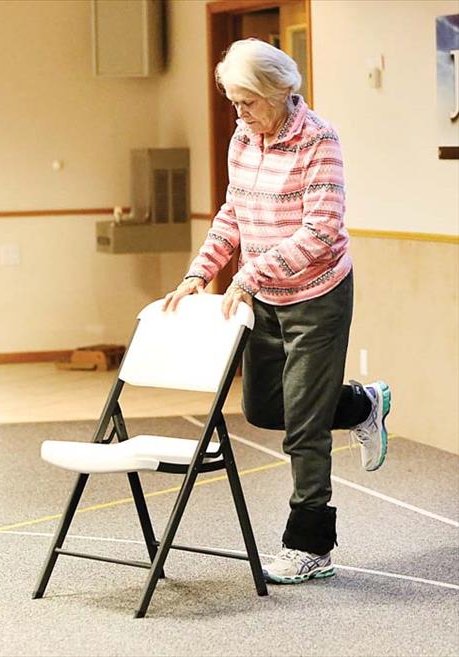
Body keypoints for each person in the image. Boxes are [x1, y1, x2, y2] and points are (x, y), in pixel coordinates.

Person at [163, 38, 391, 584]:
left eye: (249, 102)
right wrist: (199, 272)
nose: (240, 114)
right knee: (266, 408)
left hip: (318, 294)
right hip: (263, 296)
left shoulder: (319, 139)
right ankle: (360, 404)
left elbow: (322, 230)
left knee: (305, 428)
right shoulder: (244, 138)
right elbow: (233, 213)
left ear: (281, 92)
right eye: (233, 102)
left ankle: (310, 546)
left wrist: (247, 274)